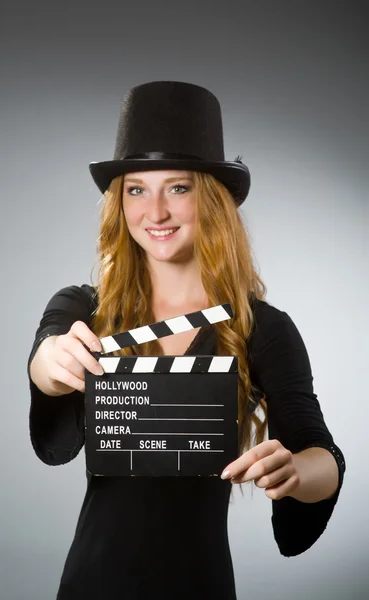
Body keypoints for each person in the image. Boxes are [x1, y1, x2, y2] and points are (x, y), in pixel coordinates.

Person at [27, 81, 346, 600]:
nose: (155, 212)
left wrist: (295, 469)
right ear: (119, 203)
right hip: (93, 581)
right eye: (136, 189)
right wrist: (51, 363)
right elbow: (44, 357)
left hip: (199, 583)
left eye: (178, 187)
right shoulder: (84, 307)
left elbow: (323, 455)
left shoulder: (260, 327)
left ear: (212, 199)